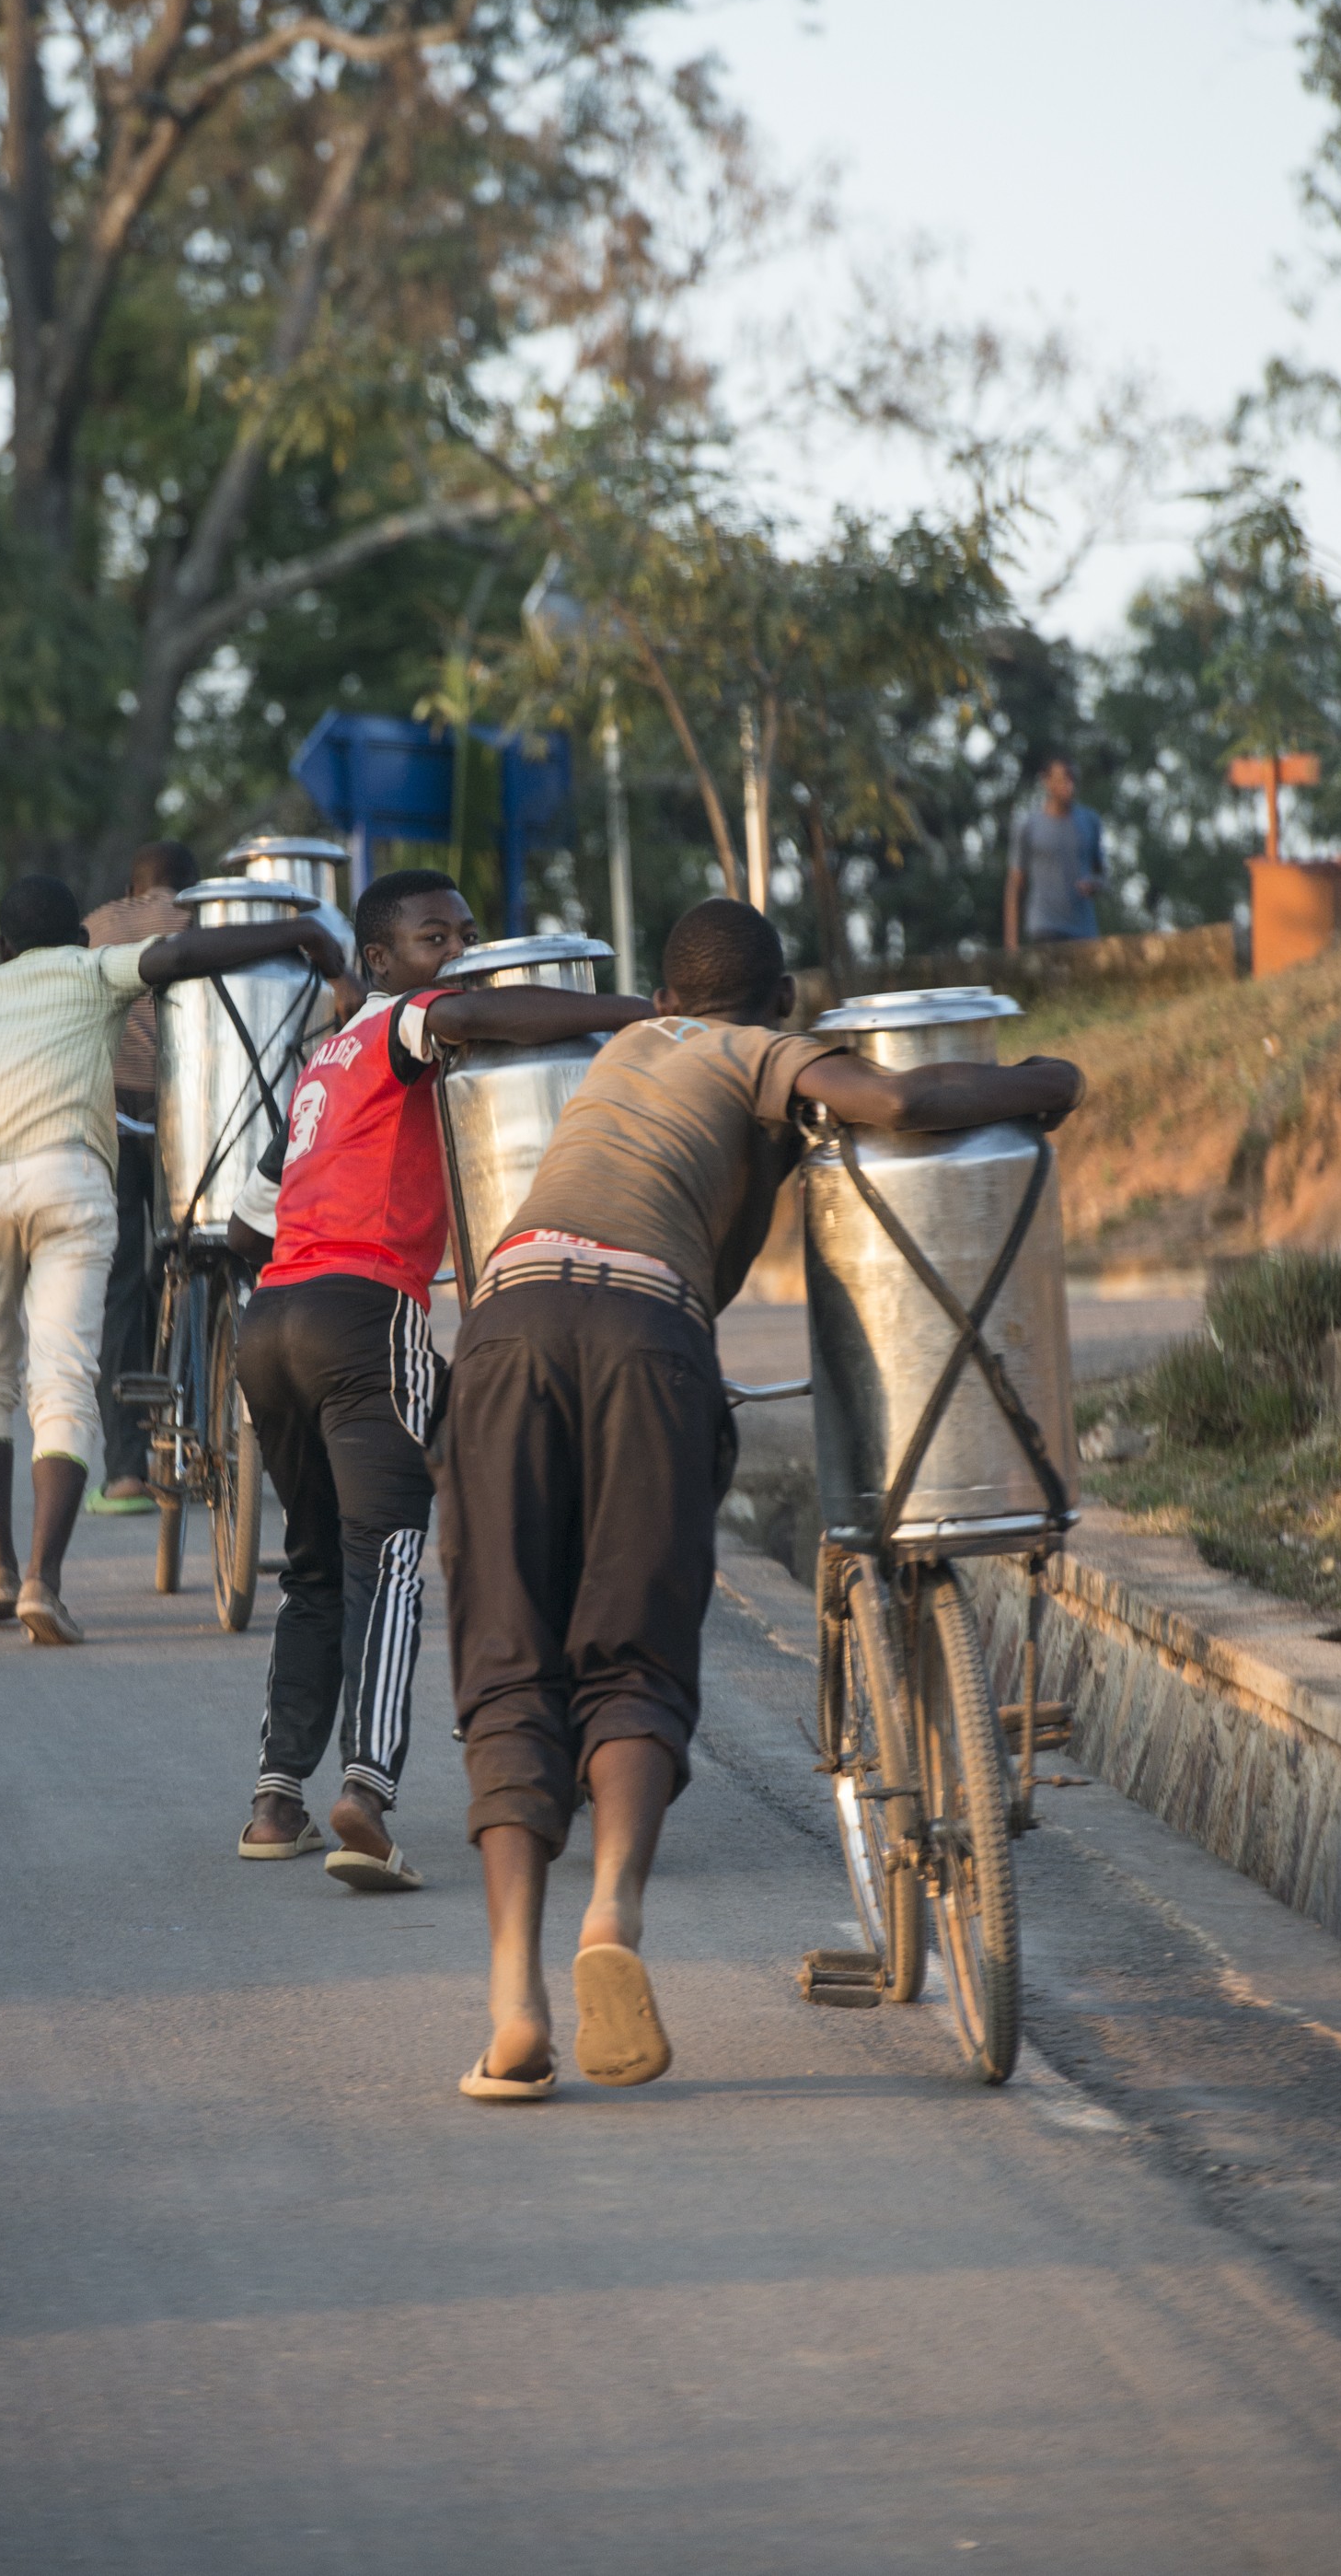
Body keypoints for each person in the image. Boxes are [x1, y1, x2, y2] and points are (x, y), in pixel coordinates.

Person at [434, 897, 1084, 2101]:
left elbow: (492, 1015)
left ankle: (514, 2000)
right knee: (634, 1647)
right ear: (779, 1001)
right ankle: (612, 1913)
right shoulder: (760, 1052)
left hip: (506, 1323)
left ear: (667, 994)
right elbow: (896, 1105)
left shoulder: (632, 1044)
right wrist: (1047, 1077)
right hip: (643, 1330)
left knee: (507, 1658)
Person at [224, 868, 650, 1893]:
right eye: (431, 939)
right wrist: (637, 1013)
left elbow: (248, 1215)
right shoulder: (407, 1025)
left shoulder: (324, 1056)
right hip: (365, 1317)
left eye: (463, 934)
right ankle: (364, 1797)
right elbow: (474, 1014)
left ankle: (275, 1797)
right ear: (379, 960)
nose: (453, 956)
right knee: (391, 1557)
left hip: (270, 1322)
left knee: (315, 1567)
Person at [0, 871, 342, 1649]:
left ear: (2, 947)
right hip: (66, 1178)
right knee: (62, 1376)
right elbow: (185, 954)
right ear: (82, 938)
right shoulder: (93, 970)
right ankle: (41, 1585)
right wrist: (297, 936)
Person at [81, 841, 201, 1515]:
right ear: (190, 883)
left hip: (111, 1121)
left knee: (121, 1285)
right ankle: (200, 1429)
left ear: (132, 885)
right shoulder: (204, 920)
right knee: (195, 1260)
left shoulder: (94, 927)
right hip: (191, 1118)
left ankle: (127, 1469)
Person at [1003, 754, 1107, 948]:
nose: (1068, 785)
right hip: (1045, 926)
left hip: (1084, 930)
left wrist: (1094, 884)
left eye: (1071, 779)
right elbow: (1015, 884)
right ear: (1046, 781)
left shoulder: (1090, 821)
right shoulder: (1028, 826)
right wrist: (1011, 944)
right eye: (1062, 779)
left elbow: (1102, 874)